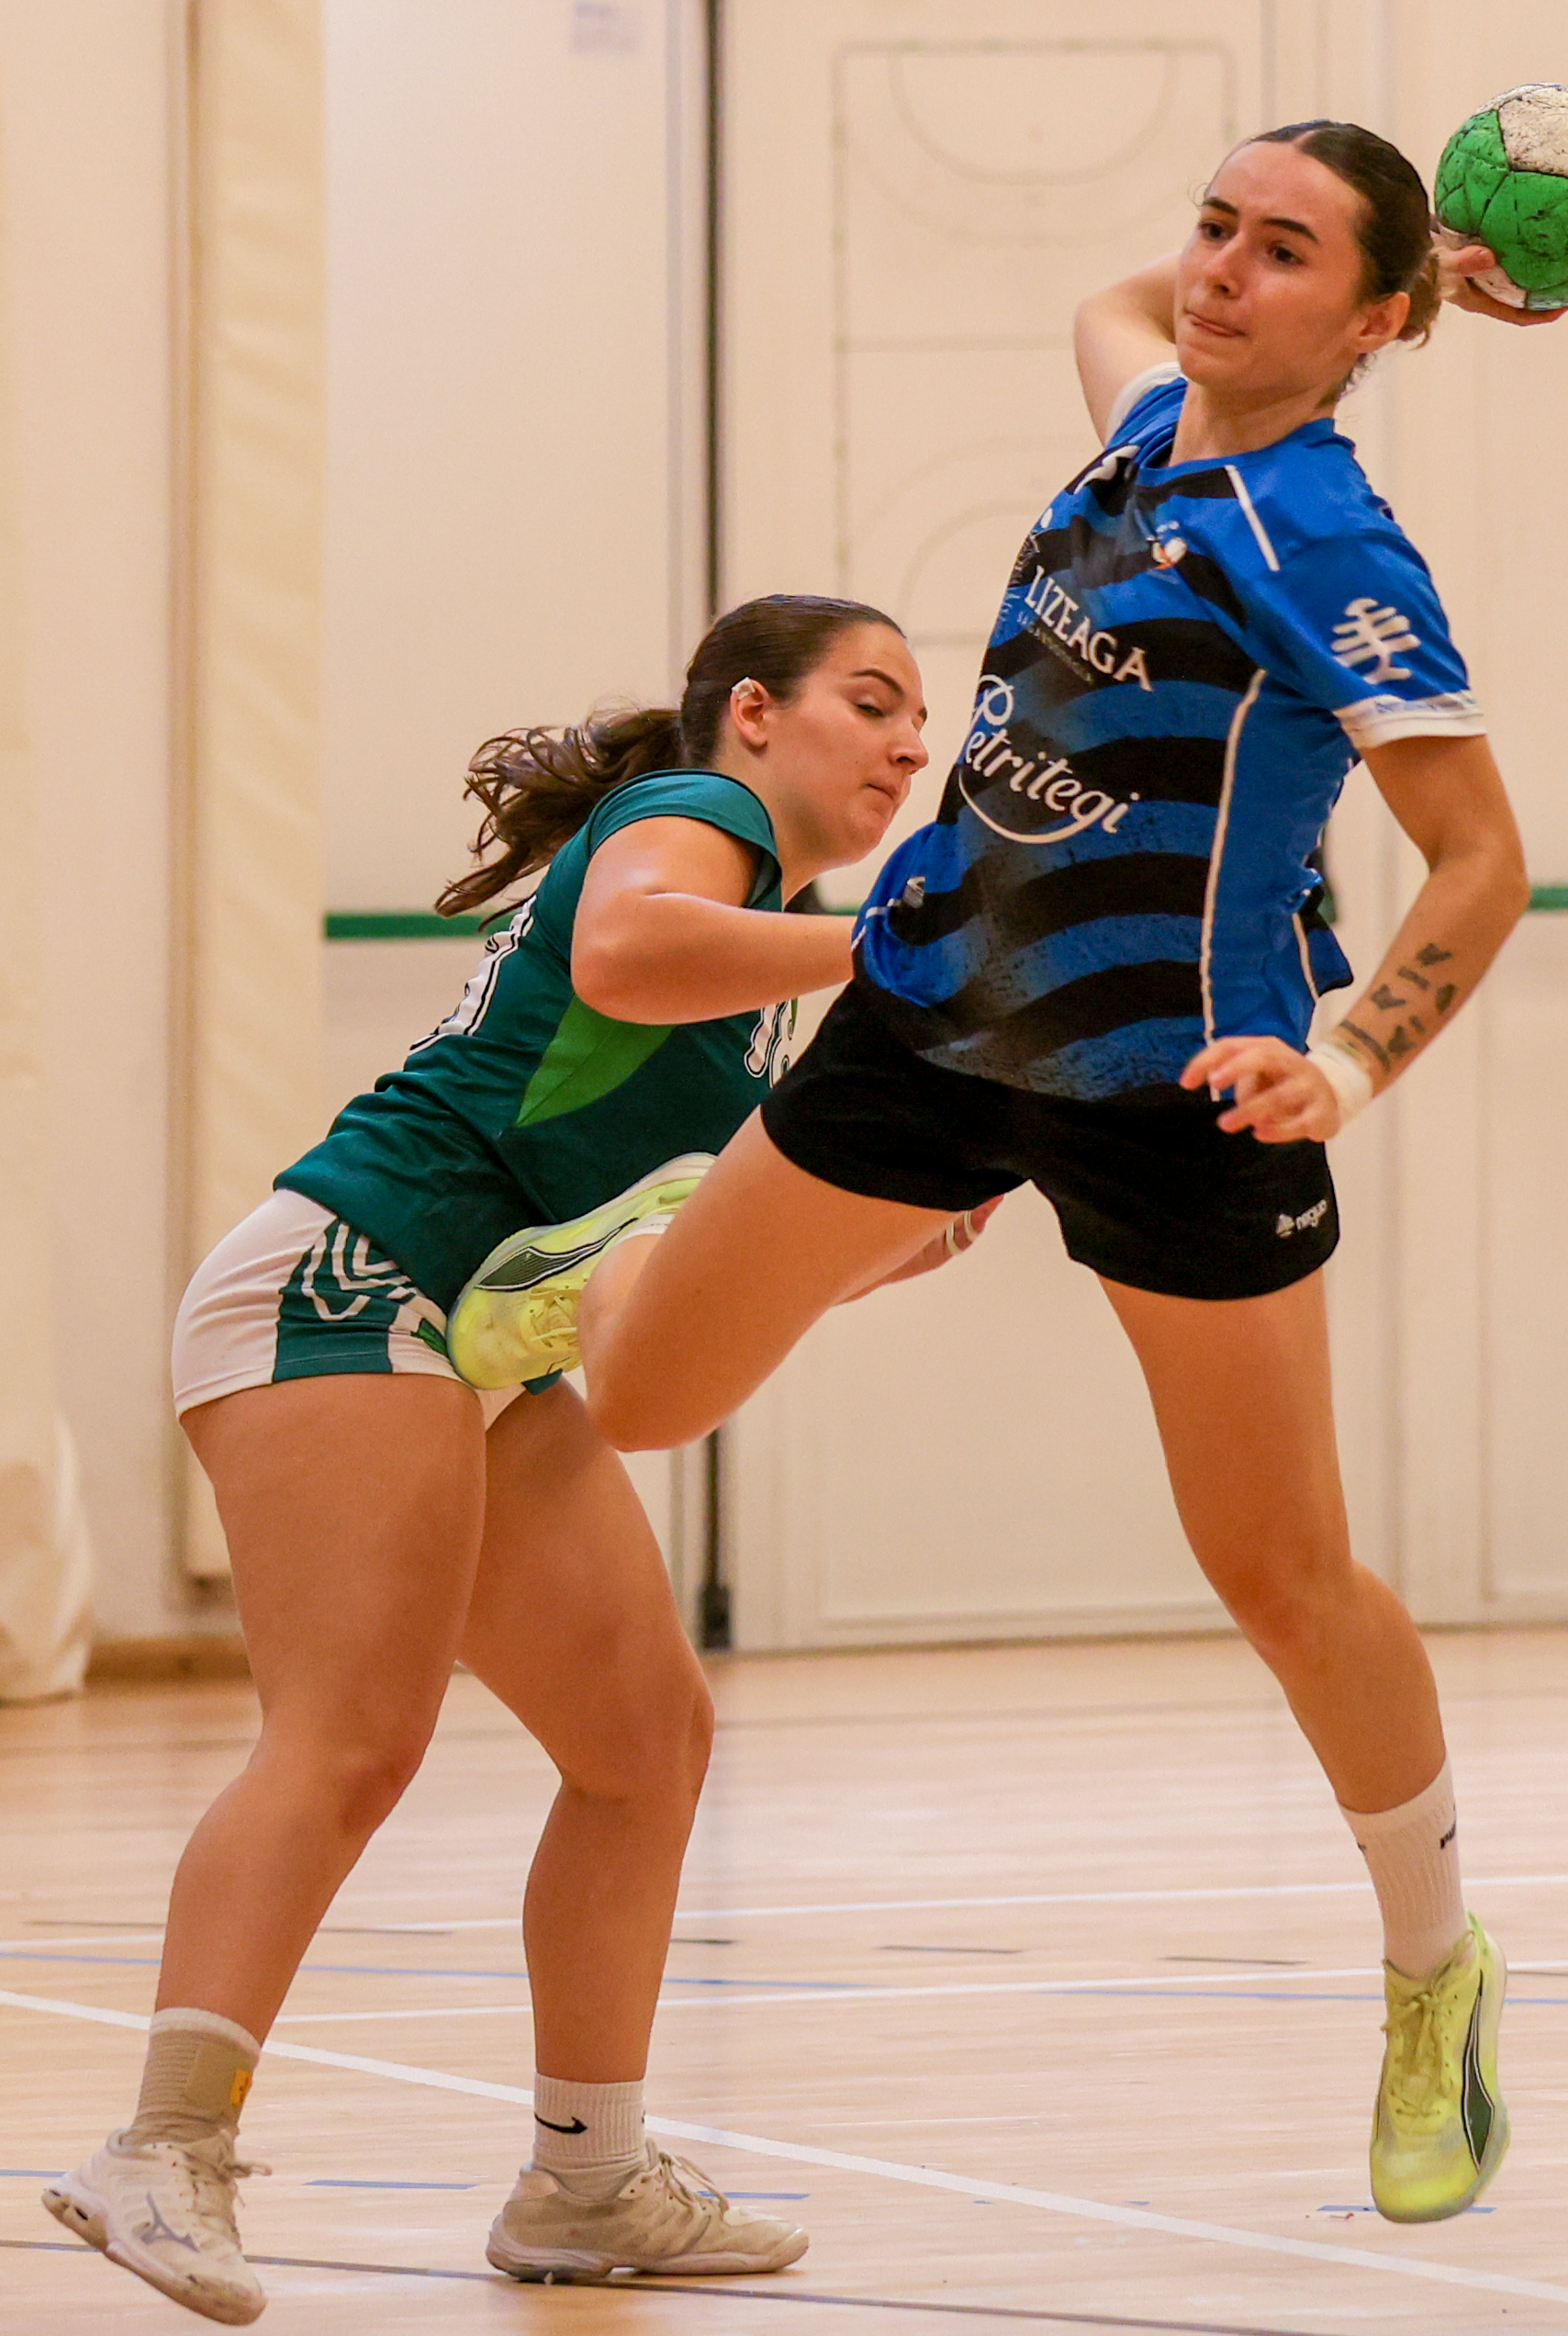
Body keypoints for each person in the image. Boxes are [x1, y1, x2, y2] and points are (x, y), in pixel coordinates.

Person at [446, 122, 1544, 2225]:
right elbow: (1115, 307)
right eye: (1214, 227)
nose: (1216, 272)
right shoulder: (1144, 424)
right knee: (643, 1396)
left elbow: (1483, 861)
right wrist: (1406, 293)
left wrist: (1344, 1064)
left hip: (1181, 1090)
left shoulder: (1333, 545)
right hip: (935, 1012)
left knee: (1280, 1576)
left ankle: (1435, 1965)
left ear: (1367, 314)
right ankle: (837, 1220)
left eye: (1283, 252)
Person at [47, 595, 980, 2323]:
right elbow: (624, 953)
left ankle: (586, 2181)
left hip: (476, 1343)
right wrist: (894, 946)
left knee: (645, 1743)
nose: (911, 742)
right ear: (752, 713)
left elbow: (745, 1265)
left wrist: (954, 1191)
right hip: (353, 1283)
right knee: (350, 1739)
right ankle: (160, 2151)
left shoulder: (763, 962)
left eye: (920, 719)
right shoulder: (694, 822)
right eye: (874, 701)